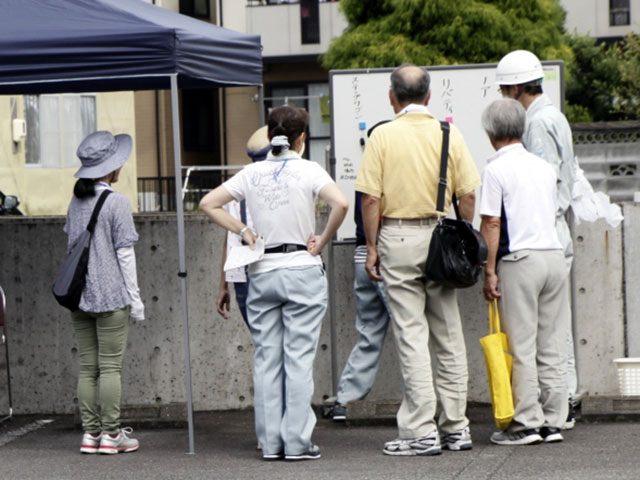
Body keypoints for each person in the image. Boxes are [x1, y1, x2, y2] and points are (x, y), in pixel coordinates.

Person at [199, 105, 348, 461]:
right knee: (298, 360)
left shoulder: (250, 174)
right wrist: (322, 240)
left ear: (268, 136)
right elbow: (340, 203)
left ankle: (269, 444)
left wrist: (245, 231)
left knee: (267, 359)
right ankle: (297, 444)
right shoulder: (309, 169)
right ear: (301, 138)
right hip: (301, 268)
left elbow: (208, 202)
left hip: (263, 270)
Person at [355, 63, 480, 456]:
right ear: (428, 97)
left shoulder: (383, 135)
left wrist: (372, 247)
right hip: (440, 236)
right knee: (448, 335)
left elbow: (371, 198)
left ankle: (420, 430)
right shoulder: (449, 132)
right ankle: (457, 428)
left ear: (392, 97)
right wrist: (459, 235)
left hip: (398, 237)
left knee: (411, 335)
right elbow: (469, 195)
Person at [479, 98, 570, 445]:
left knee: (521, 346)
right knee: (551, 344)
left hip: (520, 260)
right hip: (553, 258)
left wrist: (490, 271)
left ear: (491, 133)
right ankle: (554, 421)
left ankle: (525, 424)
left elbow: (491, 222)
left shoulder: (495, 169)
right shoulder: (543, 167)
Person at [496, 50, 578, 428]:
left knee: (537, 339)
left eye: (503, 89)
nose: (501, 95)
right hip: (555, 237)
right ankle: (559, 411)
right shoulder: (553, 115)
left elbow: (541, 184)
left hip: (540, 236)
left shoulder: (538, 122)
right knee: (553, 332)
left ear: (515, 87)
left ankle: (544, 415)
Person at [64, 130, 144, 455]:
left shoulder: (75, 201)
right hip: (111, 296)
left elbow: (70, 247)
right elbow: (125, 255)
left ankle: (90, 434)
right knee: (110, 367)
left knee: (88, 367)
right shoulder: (117, 202)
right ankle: (111, 436)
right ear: (111, 168)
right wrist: (135, 301)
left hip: (78, 295)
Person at [332, 191, 392, 422]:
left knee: (369, 333)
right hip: (384, 255)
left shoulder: (367, 168)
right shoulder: (395, 166)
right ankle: (418, 402)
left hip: (361, 258)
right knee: (410, 332)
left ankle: (345, 401)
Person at [216, 126, 271, 325]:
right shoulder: (279, 182)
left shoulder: (238, 182)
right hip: (273, 270)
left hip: (242, 275)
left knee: (263, 342)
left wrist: (223, 285)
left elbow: (229, 238)